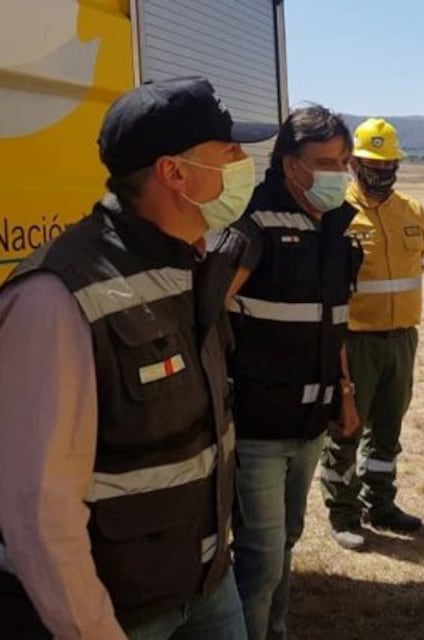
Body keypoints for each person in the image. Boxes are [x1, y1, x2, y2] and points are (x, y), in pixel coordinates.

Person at [0, 76, 277, 639]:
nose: (244, 162)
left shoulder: (195, 262)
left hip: (206, 580)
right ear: (174, 173)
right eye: (228, 151)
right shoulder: (57, 298)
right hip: (120, 608)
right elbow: (39, 510)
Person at [224, 105, 362, 639]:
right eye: (326, 162)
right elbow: (209, 314)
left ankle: (274, 630)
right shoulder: (253, 223)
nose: (340, 173)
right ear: (289, 166)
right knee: (259, 554)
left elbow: (335, 324)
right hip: (258, 425)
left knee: (287, 539)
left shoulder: (335, 228)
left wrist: (345, 394)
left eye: (344, 161)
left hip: (310, 423)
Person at [320, 118, 424, 549]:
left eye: (389, 164)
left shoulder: (412, 211)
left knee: (388, 428)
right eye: (372, 163)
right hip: (355, 341)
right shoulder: (336, 212)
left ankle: (380, 503)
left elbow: (419, 264)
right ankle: (343, 513)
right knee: (345, 430)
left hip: (402, 339)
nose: (382, 172)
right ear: (352, 164)